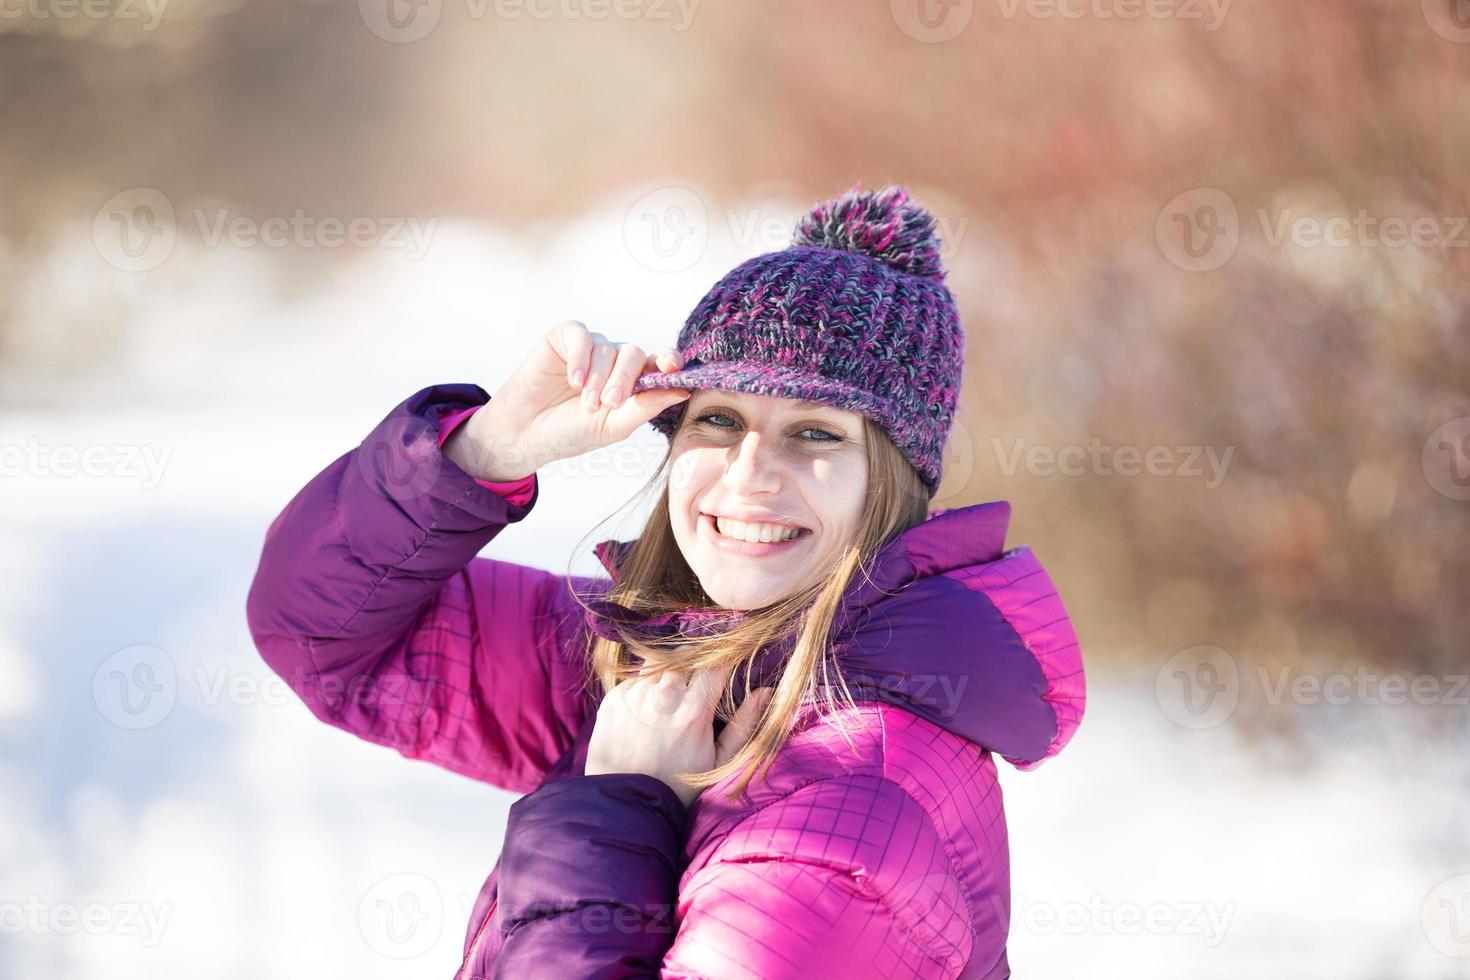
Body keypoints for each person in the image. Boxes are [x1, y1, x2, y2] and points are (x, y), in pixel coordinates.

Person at [245, 184, 1086, 979]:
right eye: (719, 418)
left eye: (816, 433)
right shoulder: (673, 667)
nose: (749, 474)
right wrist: (486, 453)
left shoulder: (844, 813)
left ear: (891, 483)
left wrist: (618, 803)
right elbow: (323, 633)